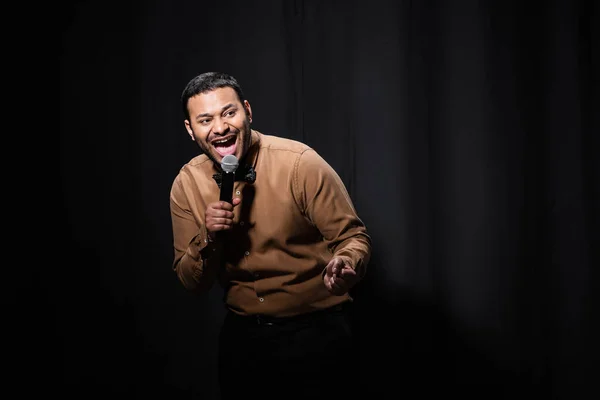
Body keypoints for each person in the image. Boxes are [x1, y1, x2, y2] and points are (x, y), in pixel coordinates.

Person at [169, 71, 372, 400]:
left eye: (229, 113)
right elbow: (192, 283)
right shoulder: (186, 185)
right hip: (244, 341)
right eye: (205, 120)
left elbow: (354, 237)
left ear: (247, 111)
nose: (219, 128)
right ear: (191, 131)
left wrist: (346, 263)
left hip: (317, 335)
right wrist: (208, 237)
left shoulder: (300, 164)